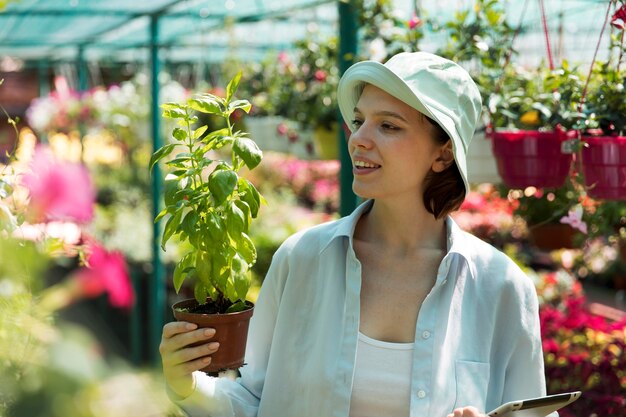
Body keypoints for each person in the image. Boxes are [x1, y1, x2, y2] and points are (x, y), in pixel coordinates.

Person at [159, 52, 552, 417]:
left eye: (388, 125)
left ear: (443, 154)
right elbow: (253, 400)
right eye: (360, 119)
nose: (359, 137)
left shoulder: (502, 288)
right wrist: (187, 385)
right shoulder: (302, 259)